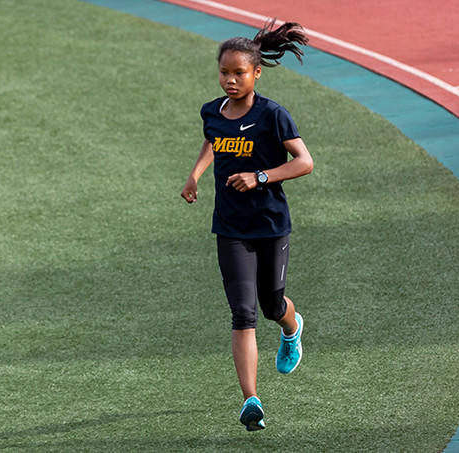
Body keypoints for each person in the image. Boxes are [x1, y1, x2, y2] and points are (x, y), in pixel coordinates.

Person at [180, 19, 313, 431]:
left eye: (239, 73)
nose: (230, 80)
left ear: (256, 73)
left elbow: (304, 162)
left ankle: (292, 327)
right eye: (225, 72)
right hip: (231, 228)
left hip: (271, 225)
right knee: (243, 313)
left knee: (272, 304)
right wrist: (195, 175)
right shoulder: (212, 113)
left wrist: (259, 177)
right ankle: (250, 400)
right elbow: (213, 139)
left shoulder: (273, 115)